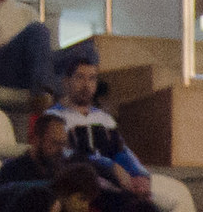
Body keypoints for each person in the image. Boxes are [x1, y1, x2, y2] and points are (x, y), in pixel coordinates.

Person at [48, 59, 151, 200]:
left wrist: (140, 174)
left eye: (91, 79)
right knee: (118, 205)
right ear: (66, 82)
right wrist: (109, 166)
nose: (86, 85)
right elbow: (67, 155)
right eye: (80, 78)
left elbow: (121, 151)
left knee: (149, 208)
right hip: (81, 182)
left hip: (113, 182)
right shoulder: (54, 117)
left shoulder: (104, 119)